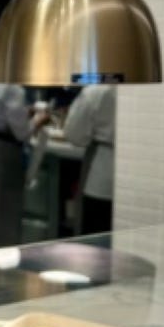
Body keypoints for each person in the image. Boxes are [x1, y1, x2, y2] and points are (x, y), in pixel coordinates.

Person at [0, 69, 45, 248]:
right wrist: (38, 120)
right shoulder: (12, 87)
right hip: (1, 152)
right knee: (1, 215)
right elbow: (22, 132)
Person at [62, 84, 116, 234]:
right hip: (137, 174)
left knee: (95, 239)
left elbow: (74, 134)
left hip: (99, 177)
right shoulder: (145, 85)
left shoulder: (95, 91)